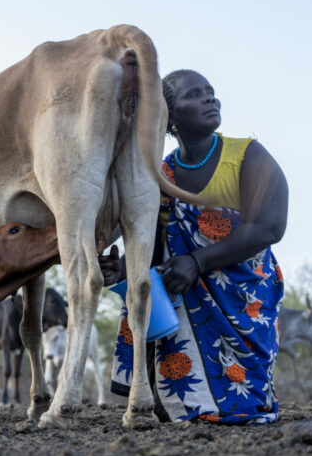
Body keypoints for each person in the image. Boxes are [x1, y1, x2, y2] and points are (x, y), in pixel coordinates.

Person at [101, 69, 288, 424]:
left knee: (245, 402)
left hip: (243, 294)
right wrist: (124, 268)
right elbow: (155, 243)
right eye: (194, 94)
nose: (209, 98)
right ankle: (174, 404)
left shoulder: (247, 154)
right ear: (168, 118)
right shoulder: (160, 175)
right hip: (184, 293)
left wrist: (198, 261)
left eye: (210, 91)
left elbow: (269, 226)